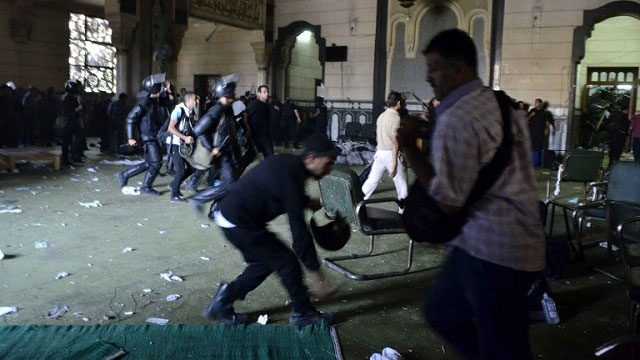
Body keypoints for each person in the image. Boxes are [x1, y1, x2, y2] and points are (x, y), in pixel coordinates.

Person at [397, 29, 544, 360]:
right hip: (502, 240)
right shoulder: (503, 104)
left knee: (502, 346)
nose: (428, 77)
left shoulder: (457, 118)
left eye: (434, 68)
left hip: (495, 250)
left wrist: (410, 148)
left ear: (459, 70)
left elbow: (448, 203)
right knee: (442, 313)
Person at [203, 133, 339, 326]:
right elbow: (299, 233)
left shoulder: (291, 165)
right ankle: (303, 313)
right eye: (328, 162)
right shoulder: (291, 177)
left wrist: (307, 202)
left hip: (232, 217)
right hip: (239, 222)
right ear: (312, 158)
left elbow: (283, 192)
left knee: (265, 262)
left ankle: (222, 302)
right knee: (287, 262)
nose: (330, 168)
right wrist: (319, 277)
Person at [191, 73, 243, 214]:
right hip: (223, 153)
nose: (234, 92)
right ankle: (200, 198)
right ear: (226, 92)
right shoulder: (217, 109)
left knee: (232, 183)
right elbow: (198, 130)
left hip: (230, 151)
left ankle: (215, 210)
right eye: (232, 90)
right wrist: (211, 148)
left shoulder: (227, 108)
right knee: (231, 185)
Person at [117, 73, 171, 195]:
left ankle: (124, 175)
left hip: (154, 134)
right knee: (156, 163)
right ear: (154, 89)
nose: (161, 88)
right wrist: (130, 137)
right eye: (159, 86)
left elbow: (169, 103)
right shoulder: (145, 101)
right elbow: (131, 118)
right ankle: (146, 187)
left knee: (149, 163)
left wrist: (168, 89)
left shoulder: (155, 100)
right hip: (148, 136)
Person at [361, 91, 408, 211]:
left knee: (371, 182)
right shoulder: (396, 117)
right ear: (398, 103)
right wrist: (395, 164)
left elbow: (378, 137)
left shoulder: (381, 116)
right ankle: (403, 212)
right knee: (402, 185)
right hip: (391, 154)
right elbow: (394, 141)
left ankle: (356, 203)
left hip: (379, 153)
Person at [167, 92, 198, 202]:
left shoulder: (190, 111)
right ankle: (174, 195)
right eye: (195, 99)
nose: (197, 101)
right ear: (189, 101)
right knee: (180, 170)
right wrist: (184, 138)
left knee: (193, 167)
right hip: (176, 144)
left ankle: (174, 184)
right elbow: (170, 128)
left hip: (185, 146)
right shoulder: (178, 110)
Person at [246, 85, 273, 158]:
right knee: (248, 158)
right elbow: (245, 116)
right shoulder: (255, 104)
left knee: (270, 159)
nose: (267, 94)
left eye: (267, 92)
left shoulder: (267, 106)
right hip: (256, 138)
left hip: (266, 138)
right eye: (264, 92)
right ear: (259, 93)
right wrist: (248, 129)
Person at [61, 80, 84, 165]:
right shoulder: (68, 98)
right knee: (67, 141)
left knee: (72, 140)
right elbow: (67, 112)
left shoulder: (72, 97)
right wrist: (77, 109)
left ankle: (73, 157)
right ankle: (67, 158)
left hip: (73, 122)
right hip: (69, 123)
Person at [527, 98, 550, 166]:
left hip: (540, 132)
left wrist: (547, 129)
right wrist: (531, 115)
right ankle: (530, 162)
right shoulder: (532, 110)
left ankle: (538, 162)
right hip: (531, 132)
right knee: (530, 146)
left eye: (537, 102)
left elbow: (547, 122)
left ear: (540, 104)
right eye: (535, 102)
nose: (535, 103)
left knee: (539, 147)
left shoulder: (544, 112)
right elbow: (526, 120)